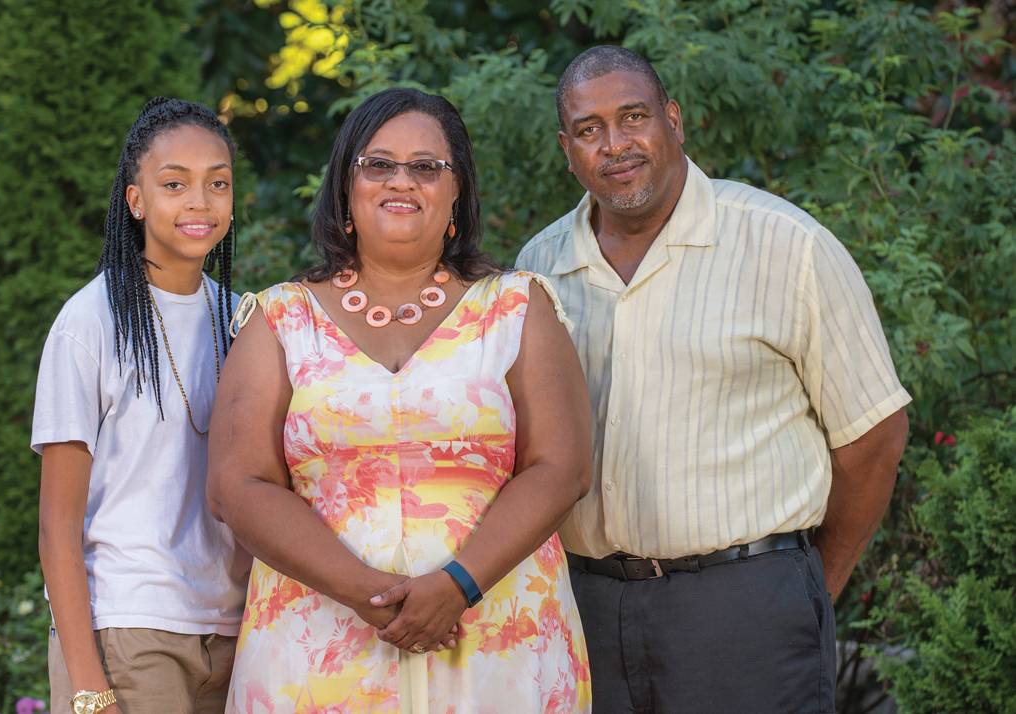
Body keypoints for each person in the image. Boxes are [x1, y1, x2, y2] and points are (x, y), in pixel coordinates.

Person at [516, 46, 912, 713]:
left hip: (746, 609)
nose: (614, 144)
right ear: (567, 148)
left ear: (674, 119)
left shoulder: (787, 245)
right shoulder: (539, 266)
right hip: (583, 608)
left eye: (633, 117)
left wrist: (813, 582)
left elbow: (873, 438)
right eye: (589, 129)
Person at [208, 87, 593, 713]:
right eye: (378, 164)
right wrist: (368, 593)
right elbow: (237, 484)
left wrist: (455, 587)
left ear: (456, 191)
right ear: (346, 189)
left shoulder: (518, 307)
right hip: (317, 652)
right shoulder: (280, 317)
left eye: (425, 166)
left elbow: (561, 467)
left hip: (499, 644)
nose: (401, 181)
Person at [33, 98, 248, 714]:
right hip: (130, 631)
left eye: (218, 184)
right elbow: (57, 527)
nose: (199, 203)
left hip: (234, 630)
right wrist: (86, 686)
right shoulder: (89, 323)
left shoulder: (243, 319)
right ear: (136, 200)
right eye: (174, 184)